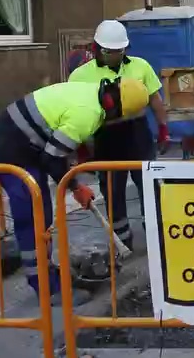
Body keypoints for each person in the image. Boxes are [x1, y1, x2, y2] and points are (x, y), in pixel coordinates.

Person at [0, 78, 149, 303]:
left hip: (21, 145)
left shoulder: (89, 90)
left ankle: (49, 275)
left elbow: (55, 145)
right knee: (34, 216)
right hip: (9, 149)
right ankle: (48, 289)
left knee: (43, 214)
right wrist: (76, 187)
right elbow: (52, 159)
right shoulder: (88, 113)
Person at [68, 19, 169, 252]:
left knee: (148, 187)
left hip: (138, 133)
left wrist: (163, 128)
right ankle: (123, 241)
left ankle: (157, 238)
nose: (114, 55)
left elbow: (155, 99)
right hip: (106, 137)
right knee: (113, 192)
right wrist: (82, 147)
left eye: (118, 51)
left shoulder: (140, 66)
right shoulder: (80, 76)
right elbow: (76, 111)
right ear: (97, 49)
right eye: (109, 51)